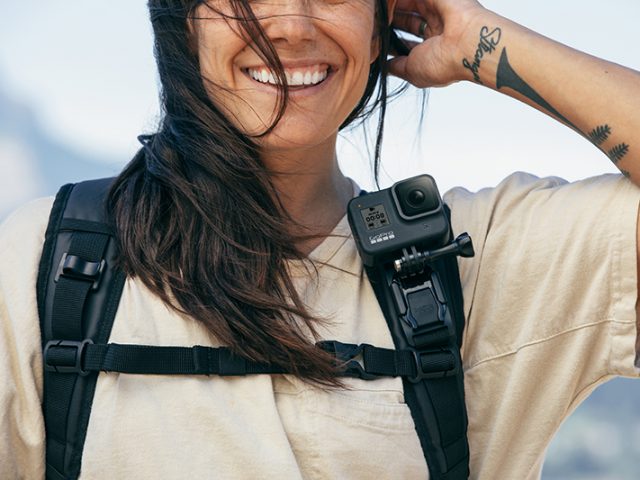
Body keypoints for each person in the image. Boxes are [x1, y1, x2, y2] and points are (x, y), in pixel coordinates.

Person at [1, 0, 638, 478]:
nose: (294, 26)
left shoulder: (473, 262)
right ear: (183, 21)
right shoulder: (50, 263)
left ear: (380, 20)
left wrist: (481, 40)